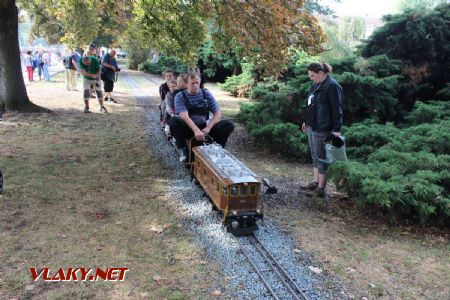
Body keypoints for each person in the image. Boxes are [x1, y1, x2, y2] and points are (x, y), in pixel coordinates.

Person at [169, 72, 235, 162]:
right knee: (173, 121)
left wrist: (208, 128)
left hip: (204, 128)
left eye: (197, 83)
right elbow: (184, 116)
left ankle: (216, 149)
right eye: (192, 83)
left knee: (229, 125)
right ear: (186, 83)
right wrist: (196, 130)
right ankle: (184, 150)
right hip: (189, 129)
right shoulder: (180, 96)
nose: (195, 85)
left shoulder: (206, 94)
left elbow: (217, 113)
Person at [301, 62, 344, 197]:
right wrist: (306, 121)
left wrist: (336, 129)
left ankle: (321, 189)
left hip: (323, 127)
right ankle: (315, 182)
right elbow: (310, 104)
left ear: (321, 73)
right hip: (312, 126)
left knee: (321, 158)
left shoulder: (332, 86)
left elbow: (337, 109)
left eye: (312, 75)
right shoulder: (316, 85)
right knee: (315, 156)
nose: (311, 78)